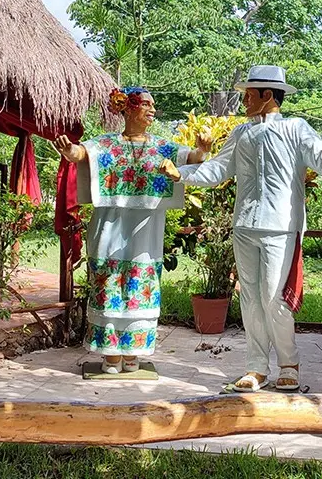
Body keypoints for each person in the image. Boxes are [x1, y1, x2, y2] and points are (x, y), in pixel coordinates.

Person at [160, 65, 322, 392]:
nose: (245, 100)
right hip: (245, 226)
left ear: (268, 96)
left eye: (250, 94)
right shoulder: (241, 134)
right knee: (250, 299)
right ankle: (256, 367)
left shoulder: (296, 129)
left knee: (273, 297)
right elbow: (218, 169)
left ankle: (289, 363)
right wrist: (183, 174)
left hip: (281, 226)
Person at [54, 87, 210, 374]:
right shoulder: (106, 144)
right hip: (110, 226)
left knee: (141, 283)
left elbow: (193, 159)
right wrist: (68, 151)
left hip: (146, 229)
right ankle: (110, 352)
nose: (152, 110)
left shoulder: (163, 147)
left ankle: (134, 350)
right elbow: (80, 153)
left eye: (154, 105)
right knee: (109, 281)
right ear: (127, 108)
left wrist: (203, 149)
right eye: (146, 104)